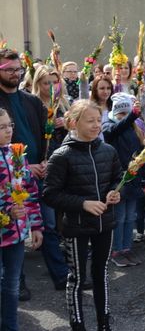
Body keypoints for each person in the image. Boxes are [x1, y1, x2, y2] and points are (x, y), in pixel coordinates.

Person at [43, 100, 122, 331]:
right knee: (77, 278)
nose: (97, 125)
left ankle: (104, 323)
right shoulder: (61, 155)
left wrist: (116, 192)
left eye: (99, 120)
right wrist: (83, 204)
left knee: (101, 274)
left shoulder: (108, 150)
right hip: (76, 226)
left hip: (105, 224)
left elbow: (119, 178)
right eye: (90, 121)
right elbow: (50, 194)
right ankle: (78, 325)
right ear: (73, 123)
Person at [0, 48, 68, 298]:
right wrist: (23, 166)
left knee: (48, 224)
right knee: (14, 232)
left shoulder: (31, 101)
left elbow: (44, 136)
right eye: (9, 70)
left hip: (39, 172)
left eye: (18, 69)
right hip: (7, 177)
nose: (15, 74)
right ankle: (16, 281)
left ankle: (61, 276)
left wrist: (44, 162)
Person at [0, 108, 43, 330]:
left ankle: (10, 325)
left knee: (11, 285)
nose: (8, 131)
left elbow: (30, 191)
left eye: (10, 125)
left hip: (15, 235)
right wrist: (7, 210)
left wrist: (35, 225)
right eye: (2, 127)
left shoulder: (16, 154)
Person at [102, 94, 145, 267]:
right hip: (118, 180)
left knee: (130, 217)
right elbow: (114, 130)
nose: (124, 117)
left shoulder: (134, 128)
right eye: (121, 114)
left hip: (133, 178)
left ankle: (127, 248)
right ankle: (115, 249)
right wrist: (132, 115)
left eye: (126, 113)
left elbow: (141, 154)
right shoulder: (109, 126)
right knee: (118, 217)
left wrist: (144, 180)